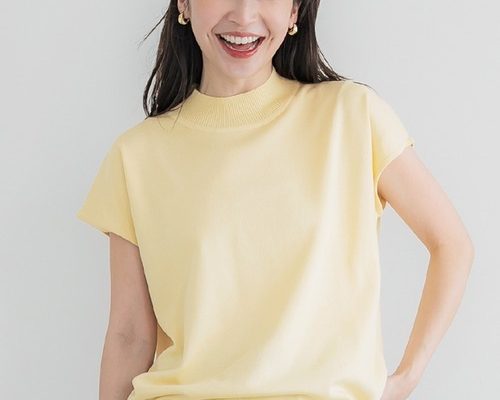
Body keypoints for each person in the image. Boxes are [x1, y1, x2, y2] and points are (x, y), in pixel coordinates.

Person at [76, 1, 475, 400]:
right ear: (184, 3)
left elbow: (451, 245)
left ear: (295, 11)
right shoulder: (136, 155)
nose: (245, 15)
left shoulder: (351, 116)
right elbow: (129, 334)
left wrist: (405, 379)